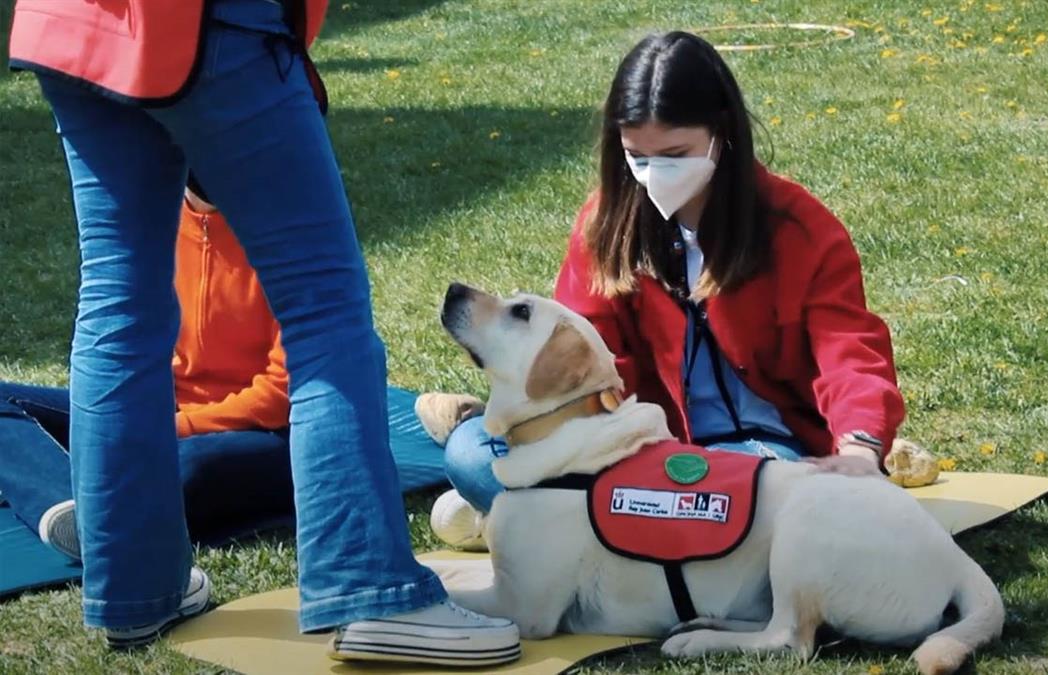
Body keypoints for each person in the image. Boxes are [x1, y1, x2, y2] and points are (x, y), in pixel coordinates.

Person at [7, 0, 519, 665]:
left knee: (119, 303)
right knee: (324, 309)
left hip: (74, 22)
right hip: (212, 24)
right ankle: (372, 594)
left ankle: (138, 588)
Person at [424, 31, 905, 550]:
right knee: (471, 453)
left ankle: (556, 522)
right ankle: (614, 527)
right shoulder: (603, 223)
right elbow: (591, 360)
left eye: (675, 154)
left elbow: (850, 352)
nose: (654, 175)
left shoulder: (800, 227)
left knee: (756, 497)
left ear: (722, 132)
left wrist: (859, 447)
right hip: (637, 452)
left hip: (765, 458)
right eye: (638, 156)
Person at [0, 185, 294, 560]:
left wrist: (174, 428)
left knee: (187, 466)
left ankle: (72, 489)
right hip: (162, 407)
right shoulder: (155, 222)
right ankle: (72, 509)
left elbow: (278, 396)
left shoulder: (287, 232)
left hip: (261, 434)